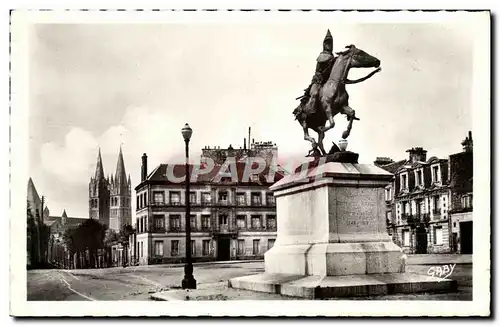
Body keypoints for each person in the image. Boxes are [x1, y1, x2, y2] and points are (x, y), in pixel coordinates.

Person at [302, 29, 336, 115]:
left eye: (330, 43)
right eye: (328, 43)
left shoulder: (333, 57)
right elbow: (318, 71)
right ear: (324, 44)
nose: (329, 45)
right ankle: (310, 109)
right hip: (319, 80)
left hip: (328, 80)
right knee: (315, 93)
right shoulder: (322, 56)